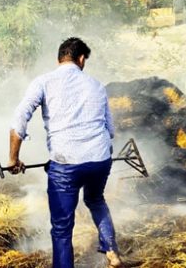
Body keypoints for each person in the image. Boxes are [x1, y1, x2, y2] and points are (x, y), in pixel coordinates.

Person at [6, 37, 121, 268]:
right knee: (96, 200)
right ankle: (112, 251)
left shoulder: (44, 82)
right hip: (100, 159)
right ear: (80, 59)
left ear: (59, 58)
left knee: (61, 228)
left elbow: (20, 118)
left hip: (66, 164)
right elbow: (110, 130)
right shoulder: (97, 85)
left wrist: (13, 158)